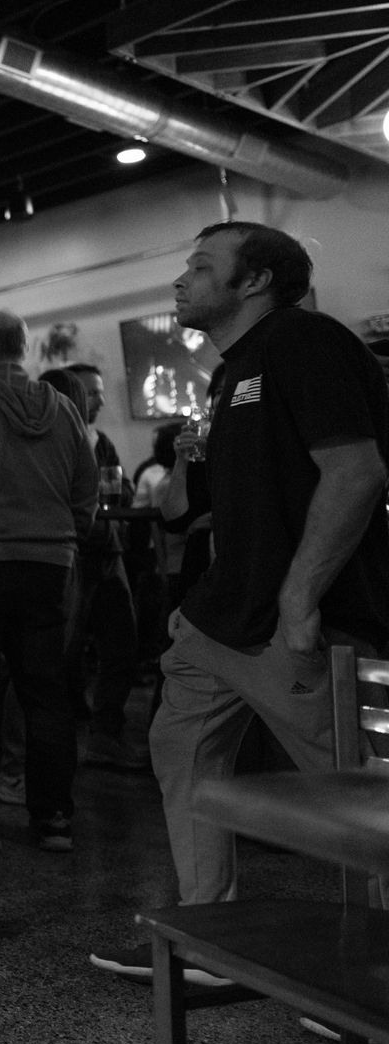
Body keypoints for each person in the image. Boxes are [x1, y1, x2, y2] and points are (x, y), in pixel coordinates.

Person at [91, 221, 389, 984]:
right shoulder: (229, 373)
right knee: (181, 748)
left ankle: (379, 982)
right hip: (222, 623)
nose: (180, 279)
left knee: (364, 802)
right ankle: (210, 939)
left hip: (299, 624)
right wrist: (201, 604)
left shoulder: (305, 340)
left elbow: (355, 473)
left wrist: (299, 599)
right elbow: (223, 509)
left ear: (254, 280)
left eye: (200, 265)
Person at [0, 310, 97, 855]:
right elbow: (86, 487)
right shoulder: (62, 407)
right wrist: (67, 537)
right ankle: (54, 819)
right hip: (50, 565)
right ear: (22, 348)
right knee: (46, 694)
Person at [61, 361, 139, 757]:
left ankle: (106, 728)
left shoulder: (102, 440)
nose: (101, 400)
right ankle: (75, 728)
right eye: (92, 392)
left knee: (122, 643)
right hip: (73, 554)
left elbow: (123, 487)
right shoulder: (57, 438)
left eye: (101, 392)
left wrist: (117, 490)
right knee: (67, 649)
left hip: (108, 551)